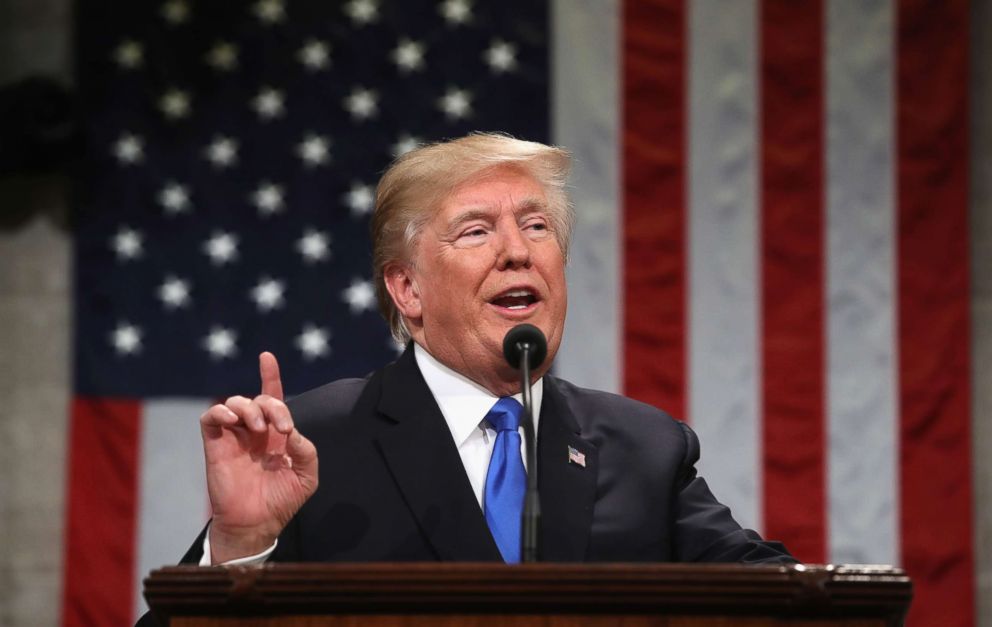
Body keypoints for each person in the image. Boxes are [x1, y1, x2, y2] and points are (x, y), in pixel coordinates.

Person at [185, 133, 793, 568]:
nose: (518, 252)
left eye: (537, 226)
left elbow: (773, 596)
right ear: (407, 289)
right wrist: (241, 547)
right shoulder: (315, 443)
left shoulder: (643, 448)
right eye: (476, 231)